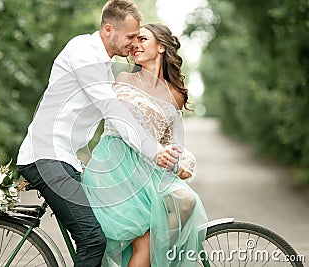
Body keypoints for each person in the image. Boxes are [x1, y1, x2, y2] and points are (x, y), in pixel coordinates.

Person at [16, 1, 180, 266]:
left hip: (65, 159)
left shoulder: (105, 64)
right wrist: (153, 150)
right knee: (92, 237)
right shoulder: (84, 52)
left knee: (110, 228)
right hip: (45, 156)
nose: (133, 44)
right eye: (129, 37)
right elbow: (111, 109)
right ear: (108, 29)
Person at [82, 23, 208, 266]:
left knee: (187, 201)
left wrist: (183, 160)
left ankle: (158, 254)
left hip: (148, 170)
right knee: (143, 241)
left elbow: (170, 143)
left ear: (161, 47)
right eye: (134, 40)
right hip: (114, 165)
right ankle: (150, 253)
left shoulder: (175, 94)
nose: (135, 45)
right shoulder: (124, 79)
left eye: (142, 40)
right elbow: (118, 123)